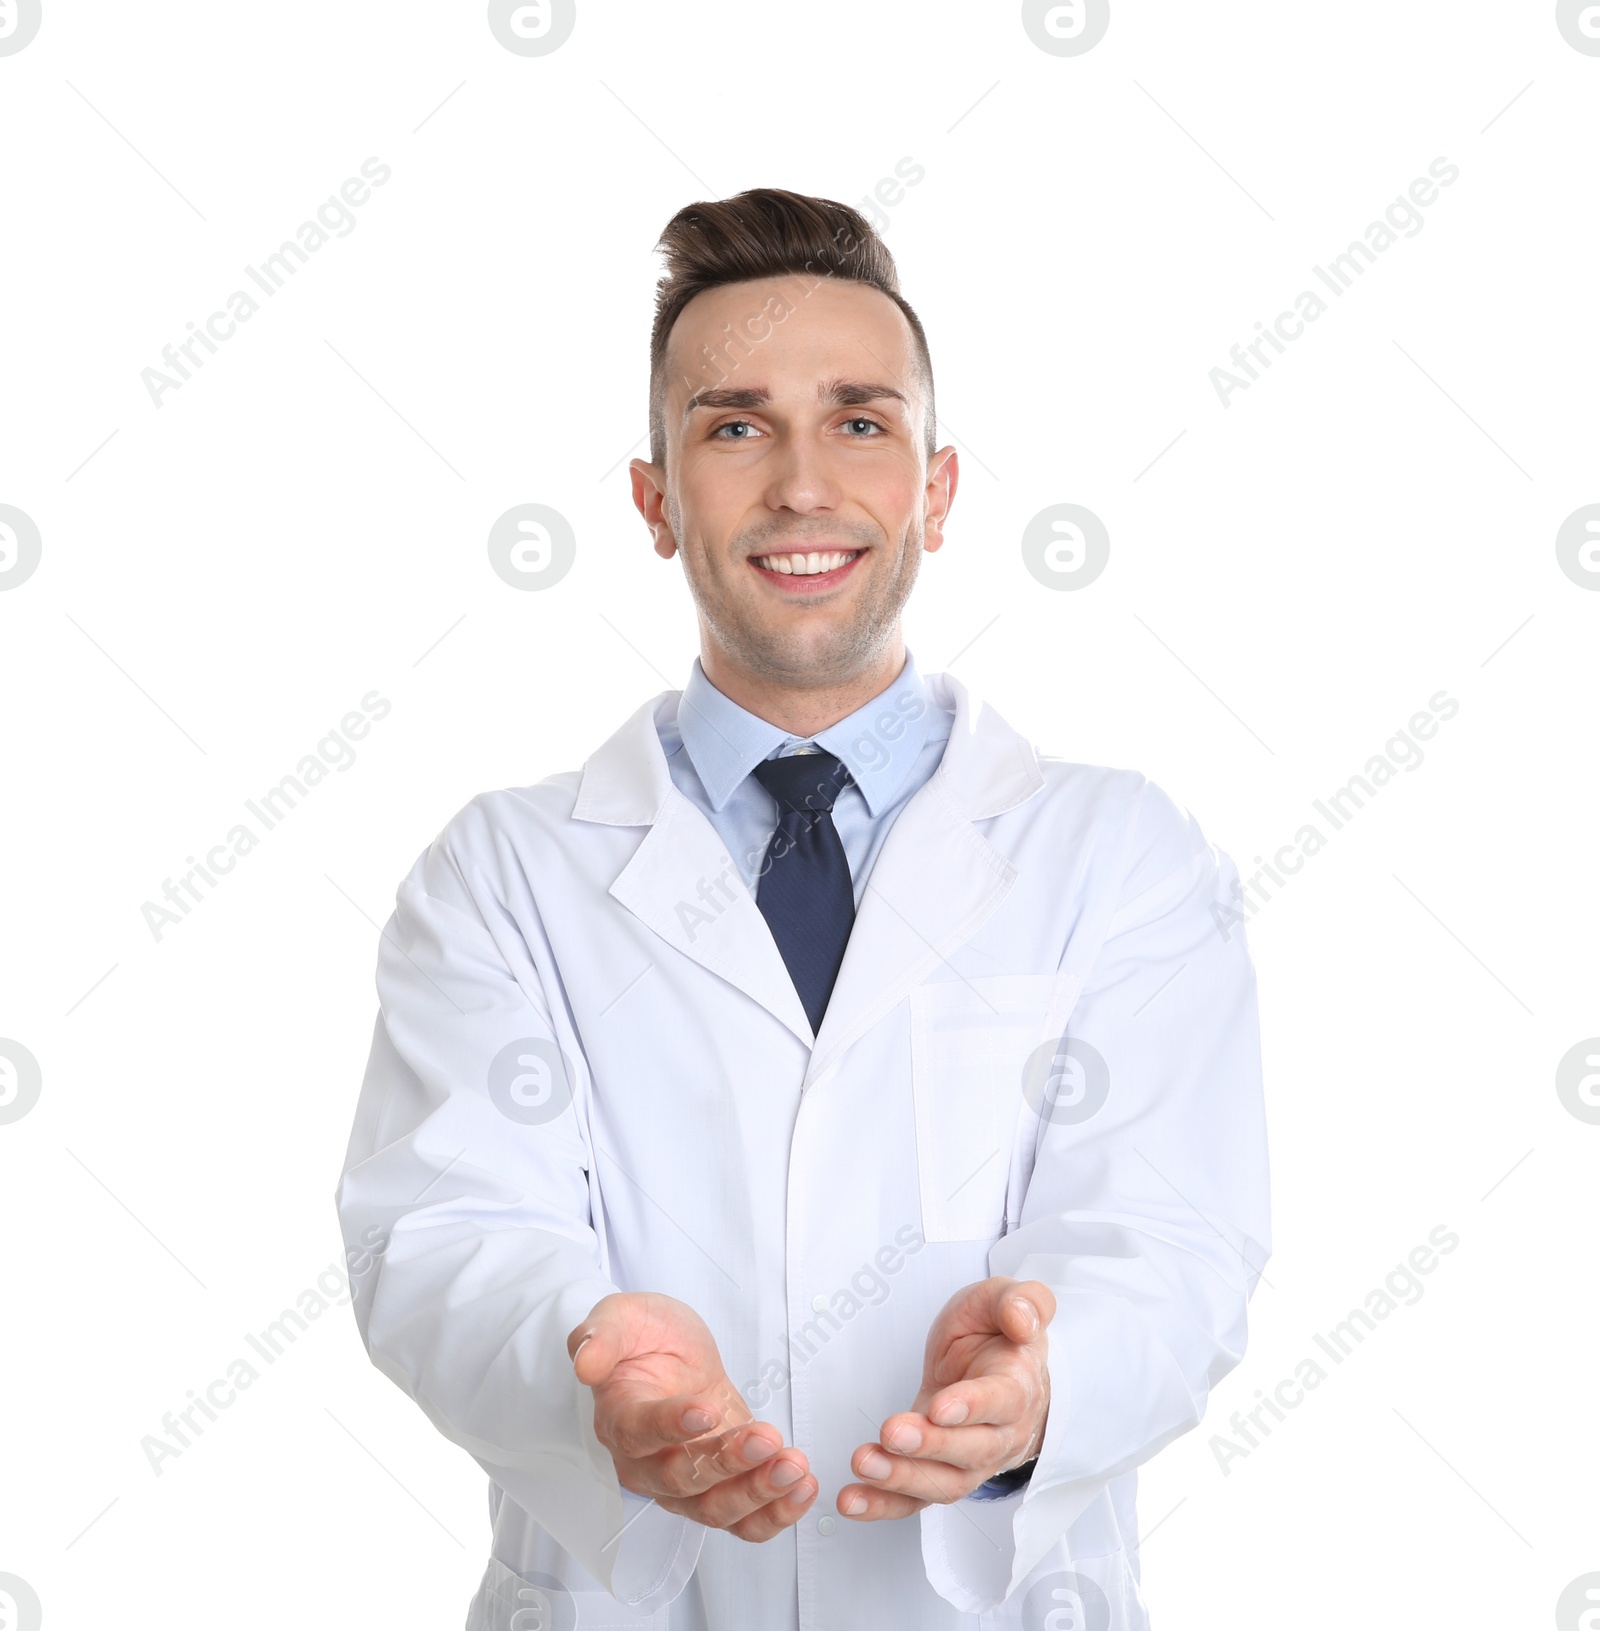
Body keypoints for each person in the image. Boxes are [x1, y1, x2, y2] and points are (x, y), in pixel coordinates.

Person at [334, 187, 1270, 1631]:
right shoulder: (503, 876)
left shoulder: (1121, 857)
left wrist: (1041, 1387)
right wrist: (590, 1363)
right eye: (732, 425)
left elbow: (1176, 1242)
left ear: (937, 489)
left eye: (859, 419)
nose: (800, 485)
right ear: (654, 500)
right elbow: (444, 1234)